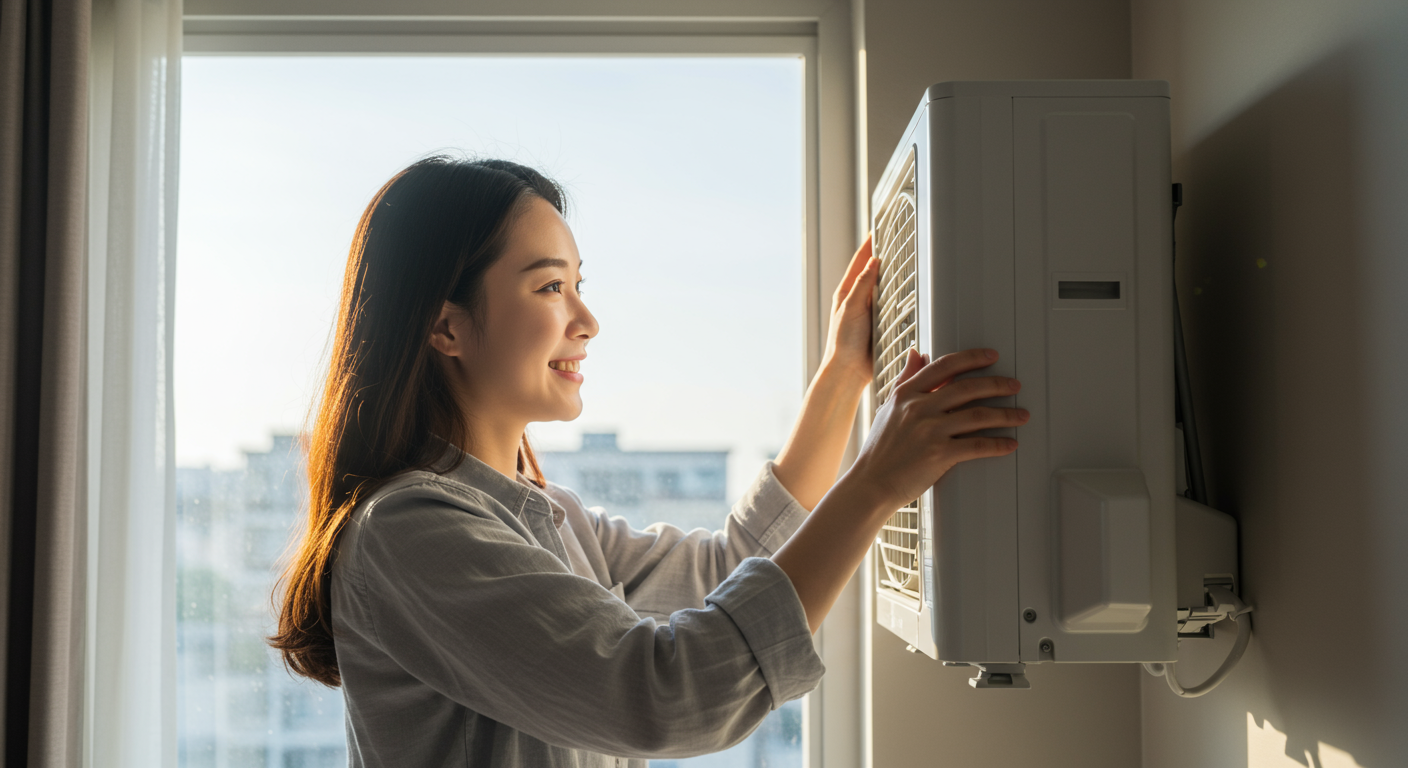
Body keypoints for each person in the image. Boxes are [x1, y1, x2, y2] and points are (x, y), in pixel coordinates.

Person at [269, 156, 1029, 767]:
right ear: (446, 327)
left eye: (578, 285)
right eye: (550, 287)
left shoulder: (550, 518)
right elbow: (665, 695)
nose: (587, 320)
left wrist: (842, 378)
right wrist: (877, 481)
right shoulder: (410, 531)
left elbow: (729, 567)